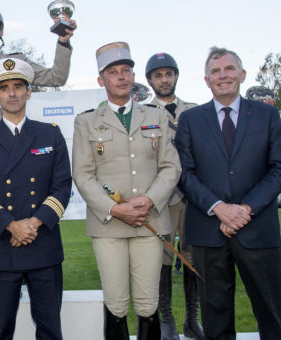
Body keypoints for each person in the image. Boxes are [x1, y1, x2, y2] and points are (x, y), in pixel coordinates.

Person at [0, 4, 76, 299]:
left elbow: (56, 77)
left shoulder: (18, 61)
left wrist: (63, 42)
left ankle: (28, 270)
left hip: (23, 142)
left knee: (26, 205)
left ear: (1, 32)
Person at [72, 42, 181, 340]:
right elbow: (82, 175)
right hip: (109, 226)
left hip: (150, 223)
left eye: (126, 70)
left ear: (133, 77)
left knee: (148, 303)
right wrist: (115, 209)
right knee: (116, 303)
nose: (121, 76)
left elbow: (170, 168)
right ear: (101, 80)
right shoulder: (86, 122)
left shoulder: (155, 116)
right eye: (112, 72)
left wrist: (149, 200)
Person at [175, 47, 281, 340]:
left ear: (242, 74)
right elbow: (184, 173)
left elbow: (279, 169)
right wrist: (219, 208)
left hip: (258, 230)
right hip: (208, 231)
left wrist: (245, 209)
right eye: (215, 71)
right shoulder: (190, 120)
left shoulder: (268, 115)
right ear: (207, 80)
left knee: (272, 313)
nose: (223, 76)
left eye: (229, 69)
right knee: (215, 317)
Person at [0, 58, 71, 339]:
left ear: (28, 92)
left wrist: (33, 224)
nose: (11, 93)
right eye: (4, 88)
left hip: (43, 245)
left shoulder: (50, 133)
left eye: (18, 87)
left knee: (50, 331)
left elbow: (61, 187)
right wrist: (12, 225)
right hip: (0, 248)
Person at [144, 52, 203, 340]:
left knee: (193, 257)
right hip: (162, 197)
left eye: (169, 74)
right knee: (165, 259)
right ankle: (167, 319)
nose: (164, 79)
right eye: (158, 75)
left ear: (176, 76)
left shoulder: (194, 111)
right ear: (150, 80)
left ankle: (193, 319)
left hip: (192, 196)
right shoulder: (142, 113)